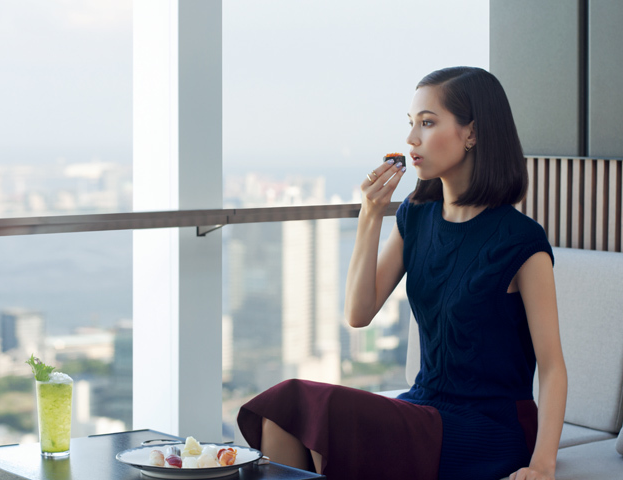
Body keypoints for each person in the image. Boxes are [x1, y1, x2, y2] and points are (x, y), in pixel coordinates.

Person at [237, 66, 568, 480]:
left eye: (427, 123)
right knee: (283, 413)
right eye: (411, 124)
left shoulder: (521, 241)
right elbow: (359, 314)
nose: (412, 139)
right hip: (423, 407)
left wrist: (541, 466)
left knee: (312, 408)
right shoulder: (416, 216)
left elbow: (552, 367)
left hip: (488, 429)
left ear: (472, 133)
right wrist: (371, 216)